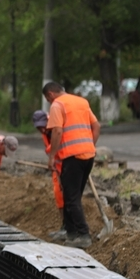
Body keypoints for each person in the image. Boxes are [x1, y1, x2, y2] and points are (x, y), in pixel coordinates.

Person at [42, 82, 101, 249]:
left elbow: (57, 131)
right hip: (88, 155)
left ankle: (83, 235)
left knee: (71, 198)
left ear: (50, 95)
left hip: (72, 157)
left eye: (47, 99)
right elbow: (97, 126)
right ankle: (70, 232)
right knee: (72, 196)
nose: (48, 102)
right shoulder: (81, 101)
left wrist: (52, 156)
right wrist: (90, 145)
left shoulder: (57, 105)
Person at [33, 110, 66, 241]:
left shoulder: (56, 129)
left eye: (43, 125)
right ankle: (65, 226)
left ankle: (72, 228)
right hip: (56, 169)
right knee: (59, 196)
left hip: (66, 167)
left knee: (69, 196)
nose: (41, 129)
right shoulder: (44, 134)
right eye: (38, 127)